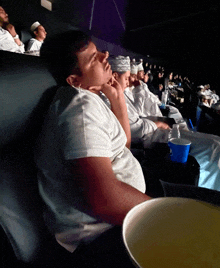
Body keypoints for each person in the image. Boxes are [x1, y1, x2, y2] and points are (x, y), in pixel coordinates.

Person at [35, 30, 151, 267]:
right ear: (74, 80)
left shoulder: (90, 97)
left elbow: (123, 148)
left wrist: (117, 97)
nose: (105, 55)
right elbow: (103, 200)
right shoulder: (80, 107)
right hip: (101, 238)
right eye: (93, 57)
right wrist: (161, 212)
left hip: (118, 219)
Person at [109, 56, 220, 193]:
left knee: (216, 142)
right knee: (214, 148)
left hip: (153, 129)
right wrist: (158, 124)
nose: (130, 81)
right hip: (150, 138)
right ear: (114, 76)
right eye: (127, 78)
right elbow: (136, 128)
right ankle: (211, 193)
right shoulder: (112, 97)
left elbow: (138, 114)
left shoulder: (120, 93)